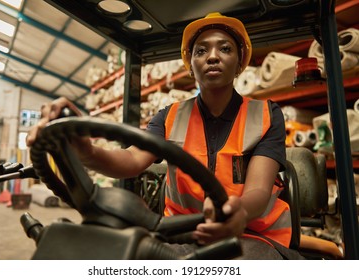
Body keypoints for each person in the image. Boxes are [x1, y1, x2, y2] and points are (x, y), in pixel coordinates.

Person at [27, 12, 302, 259]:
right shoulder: (169, 116)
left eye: (226, 49)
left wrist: (237, 212)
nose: (213, 56)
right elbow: (132, 158)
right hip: (180, 235)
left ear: (240, 61)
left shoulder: (265, 114)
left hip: (251, 234)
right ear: (190, 65)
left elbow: (258, 189)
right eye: (201, 51)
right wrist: (88, 151)